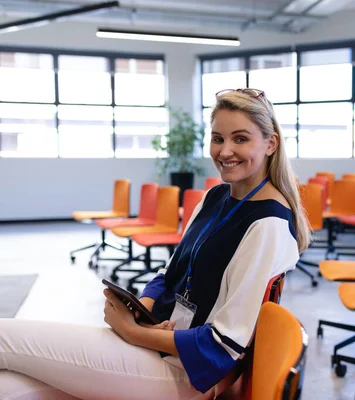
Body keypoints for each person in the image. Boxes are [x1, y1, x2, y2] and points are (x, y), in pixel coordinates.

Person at [0, 88, 311, 400]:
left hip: (187, 372)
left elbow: (225, 342)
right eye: (218, 139)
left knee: (4, 337)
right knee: (8, 388)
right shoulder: (216, 197)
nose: (225, 150)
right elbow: (171, 270)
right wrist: (142, 309)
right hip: (157, 345)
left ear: (271, 144)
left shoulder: (268, 224)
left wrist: (132, 331)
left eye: (240, 139)